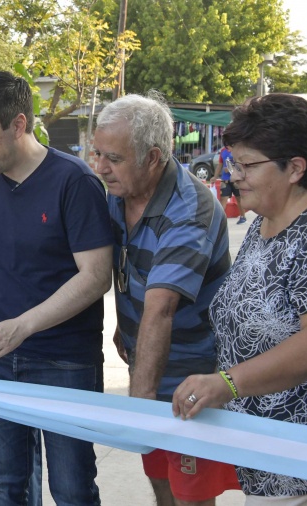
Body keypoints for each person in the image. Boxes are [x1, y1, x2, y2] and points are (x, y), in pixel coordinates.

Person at [0, 70, 112, 505]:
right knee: (3, 487)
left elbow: (96, 275)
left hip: (65, 364)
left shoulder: (74, 181)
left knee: (72, 489)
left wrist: (23, 326)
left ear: (18, 124)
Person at [172, 93, 307, 505]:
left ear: (296, 168)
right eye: (232, 162)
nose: (233, 175)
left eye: (247, 165)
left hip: (306, 460)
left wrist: (227, 383)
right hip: (266, 458)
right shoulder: (266, 223)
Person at [92, 92, 240, 506]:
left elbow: (161, 307)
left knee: (190, 494)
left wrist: (138, 409)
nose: (101, 168)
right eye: (97, 154)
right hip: (148, 364)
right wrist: (126, 325)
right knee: (161, 484)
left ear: (153, 157)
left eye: (114, 158)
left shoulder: (190, 208)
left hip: (193, 379)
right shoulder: (118, 193)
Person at [212, 146, 249, 224]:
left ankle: (243, 216)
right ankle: (220, 219)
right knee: (223, 199)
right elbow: (220, 164)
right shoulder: (223, 151)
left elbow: (242, 164)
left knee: (239, 198)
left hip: (236, 180)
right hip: (225, 180)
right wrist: (215, 177)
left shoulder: (237, 149)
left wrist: (231, 168)